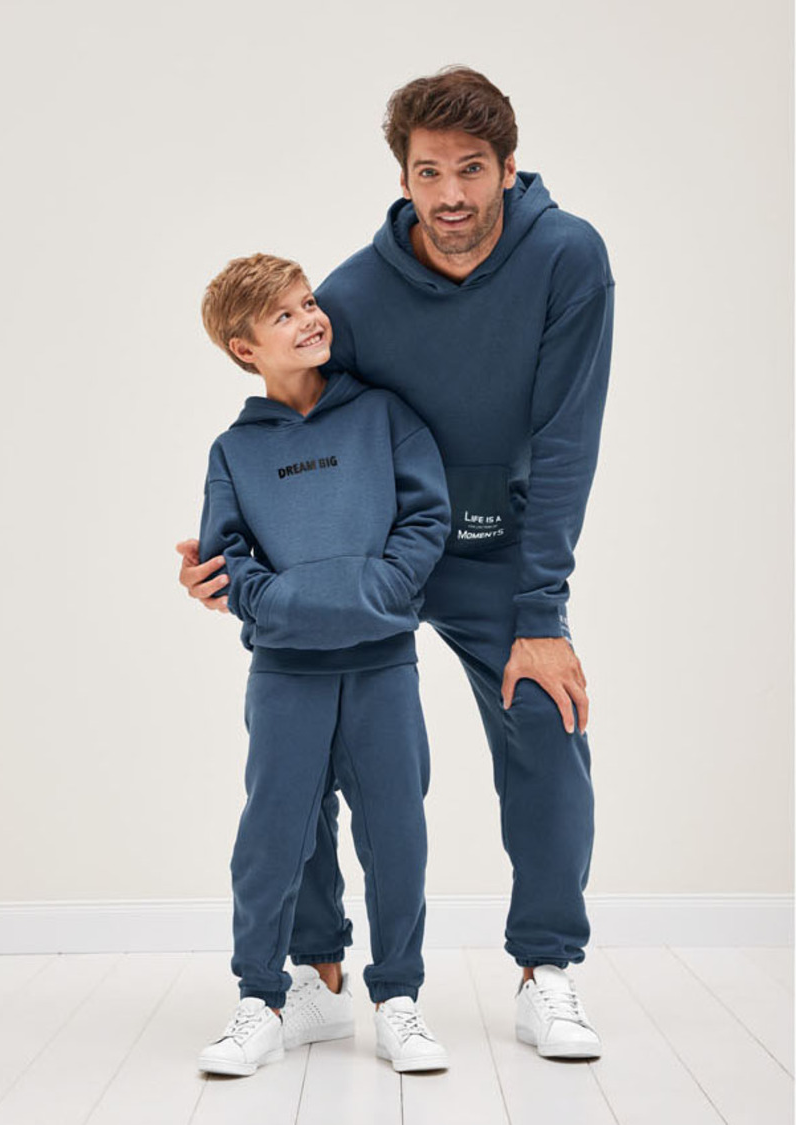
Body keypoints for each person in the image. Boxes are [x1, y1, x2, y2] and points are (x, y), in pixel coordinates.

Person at [178, 66, 614, 1060]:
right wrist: (228, 551)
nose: (451, 194)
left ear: (509, 167)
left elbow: (567, 440)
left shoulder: (568, 257)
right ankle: (320, 972)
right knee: (302, 746)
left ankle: (547, 969)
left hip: (496, 552)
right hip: (370, 558)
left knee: (547, 720)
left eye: (472, 169)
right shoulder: (351, 296)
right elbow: (296, 429)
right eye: (429, 172)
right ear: (404, 177)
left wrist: (542, 611)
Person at [192, 252, 454, 1077]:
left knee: (395, 829)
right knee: (275, 835)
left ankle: (398, 998)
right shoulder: (234, 451)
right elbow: (229, 559)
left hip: (383, 664)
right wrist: (281, 604)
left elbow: (426, 519)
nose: (311, 318)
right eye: (285, 314)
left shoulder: (383, 414)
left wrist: (381, 589)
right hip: (285, 672)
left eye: (309, 302)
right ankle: (264, 998)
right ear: (244, 348)